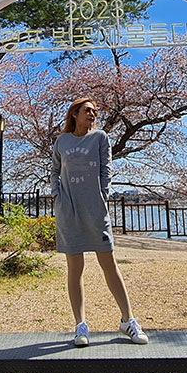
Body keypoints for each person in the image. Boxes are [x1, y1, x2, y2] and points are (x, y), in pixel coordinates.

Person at [51, 97, 148, 347]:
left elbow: (107, 168)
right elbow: (54, 170)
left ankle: (128, 320)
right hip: (69, 211)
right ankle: (80, 325)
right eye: (87, 110)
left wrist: (103, 194)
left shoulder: (100, 138)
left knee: (109, 264)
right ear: (75, 113)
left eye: (94, 111)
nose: (92, 114)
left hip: (96, 210)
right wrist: (56, 196)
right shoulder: (62, 141)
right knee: (75, 268)